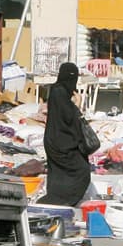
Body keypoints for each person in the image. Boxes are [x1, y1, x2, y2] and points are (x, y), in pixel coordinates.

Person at [38, 62, 93, 206]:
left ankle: (56, 201)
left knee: (59, 173)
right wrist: (77, 105)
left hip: (57, 141)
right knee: (81, 171)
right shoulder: (59, 92)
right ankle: (60, 201)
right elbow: (69, 117)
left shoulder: (58, 90)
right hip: (61, 144)